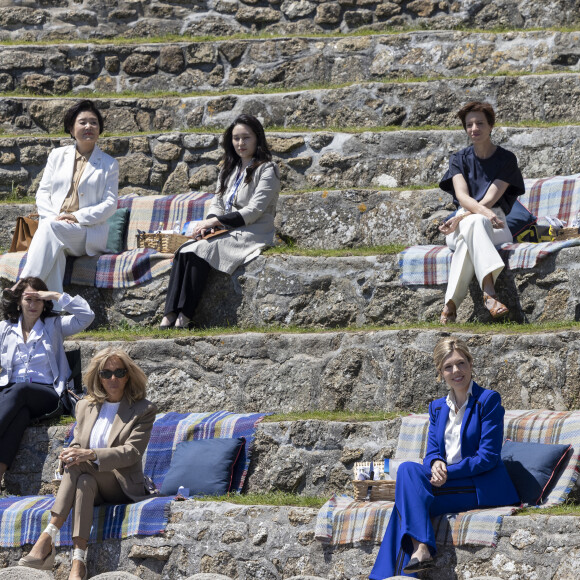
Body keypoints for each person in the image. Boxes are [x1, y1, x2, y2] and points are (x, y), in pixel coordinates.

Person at [369, 336, 519, 579]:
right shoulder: (437, 407)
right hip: (446, 479)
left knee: (404, 504)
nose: (456, 371)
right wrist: (436, 463)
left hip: (479, 484)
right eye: (448, 367)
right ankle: (419, 553)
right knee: (408, 470)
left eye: (461, 363)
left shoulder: (488, 400)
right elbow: (432, 452)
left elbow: (488, 457)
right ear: (440, 372)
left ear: (471, 364)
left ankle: (406, 563)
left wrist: (448, 471)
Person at [19, 347, 157, 580]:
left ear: (128, 375)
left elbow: (132, 452)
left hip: (122, 483)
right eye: (106, 373)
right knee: (83, 480)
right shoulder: (85, 406)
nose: (113, 378)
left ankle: (46, 538)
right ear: (98, 377)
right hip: (90, 481)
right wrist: (71, 452)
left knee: (81, 467)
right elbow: (78, 442)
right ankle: (78, 563)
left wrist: (89, 455)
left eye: (119, 372)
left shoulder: (143, 409)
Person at [160, 114, 281, 329]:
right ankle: (169, 314)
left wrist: (215, 223)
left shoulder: (267, 169)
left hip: (254, 230)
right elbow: (216, 204)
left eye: (246, 138)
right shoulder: (229, 169)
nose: (240, 143)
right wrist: (209, 223)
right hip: (227, 227)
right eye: (236, 138)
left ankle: (185, 316)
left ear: (257, 139)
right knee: (186, 248)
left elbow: (254, 211)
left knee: (202, 249)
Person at [15, 100, 119, 295]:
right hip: (56, 224)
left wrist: (77, 217)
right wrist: (55, 216)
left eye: (94, 122)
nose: (89, 126)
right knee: (55, 246)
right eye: (82, 122)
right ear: (71, 129)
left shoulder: (109, 164)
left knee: (50, 229)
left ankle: (22, 286)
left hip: (86, 232)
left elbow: (110, 204)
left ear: (99, 129)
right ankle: (53, 310)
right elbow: (43, 192)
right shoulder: (57, 155)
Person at [0, 277, 94, 484]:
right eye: (28, 299)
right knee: (20, 415)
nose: (33, 304)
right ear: (18, 302)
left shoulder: (55, 325)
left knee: (21, 389)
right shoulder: (5, 329)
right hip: (12, 397)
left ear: (44, 304)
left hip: (47, 394)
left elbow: (87, 316)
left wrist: (55, 295)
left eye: (38, 299)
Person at [438, 101, 525, 324]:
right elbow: (463, 197)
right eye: (469, 124)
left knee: (472, 228)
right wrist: (469, 215)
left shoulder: (506, 159)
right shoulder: (458, 159)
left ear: (491, 126)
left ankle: (450, 304)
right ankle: (489, 292)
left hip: (495, 223)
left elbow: (489, 200)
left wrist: (461, 218)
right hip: (469, 221)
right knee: (473, 225)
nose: (474, 128)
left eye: (479, 123)